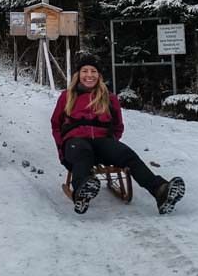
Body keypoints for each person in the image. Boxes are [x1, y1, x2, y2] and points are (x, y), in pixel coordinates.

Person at [51, 54, 185, 215]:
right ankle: (82, 191)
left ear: (99, 75)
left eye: (93, 71)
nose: (89, 75)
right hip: (75, 141)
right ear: (78, 74)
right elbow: (56, 125)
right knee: (81, 152)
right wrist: (62, 151)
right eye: (85, 71)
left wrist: (112, 144)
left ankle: (160, 190)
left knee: (127, 154)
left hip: (102, 141)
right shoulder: (67, 96)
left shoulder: (109, 98)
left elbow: (118, 126)